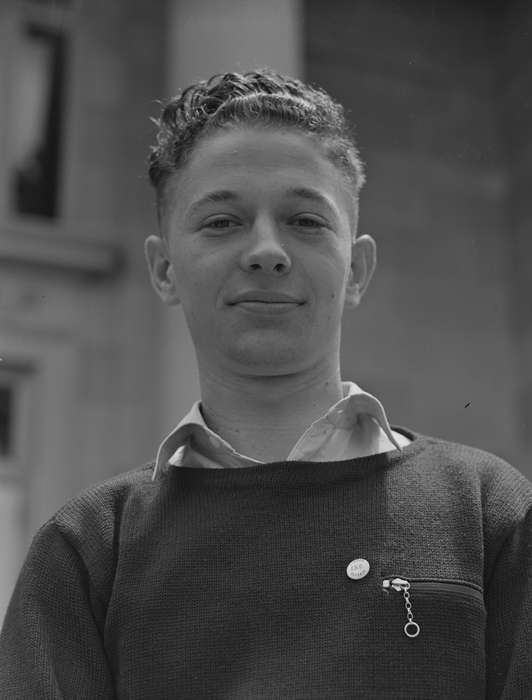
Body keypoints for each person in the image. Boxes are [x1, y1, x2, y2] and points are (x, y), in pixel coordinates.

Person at [1, 68, 531, 700]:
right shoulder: (88, 546)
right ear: (165, 269)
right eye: (222, 222)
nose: (266, 251)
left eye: (305, 220)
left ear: (356, 269)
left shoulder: (486, 508)